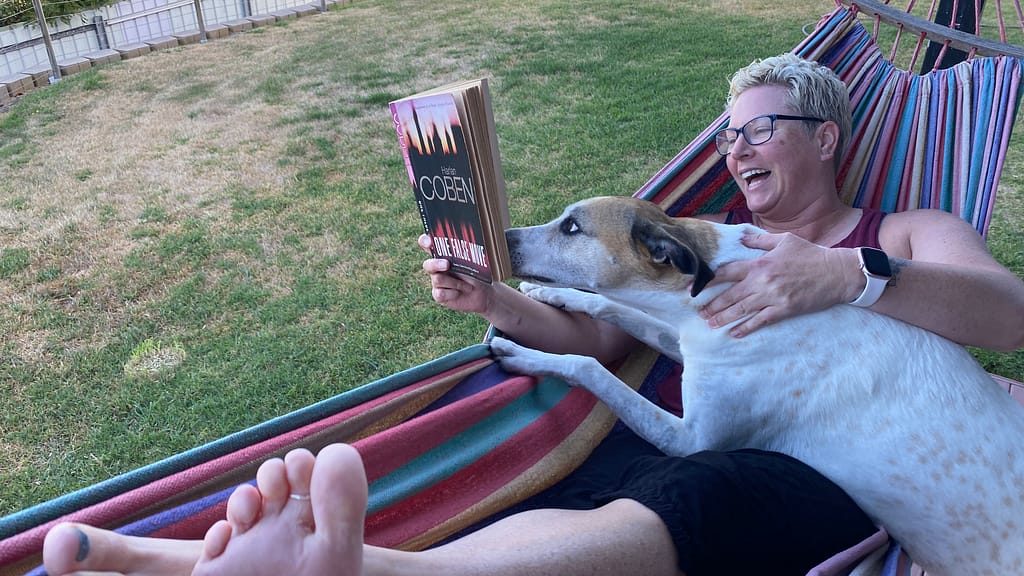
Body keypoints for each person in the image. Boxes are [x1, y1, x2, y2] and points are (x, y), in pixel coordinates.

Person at [42, 53, 1024, 576]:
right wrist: (498, 298)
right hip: (642, 445)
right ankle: (307, 563)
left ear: (827, 137)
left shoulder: (906, 226)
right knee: (575, 490)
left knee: (703, 498)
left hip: (813, 479)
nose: (735, 150)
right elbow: (601, 330)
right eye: (727, 136)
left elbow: (1007, 319)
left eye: (759, 128)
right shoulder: (699, 238)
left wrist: (851, 274)